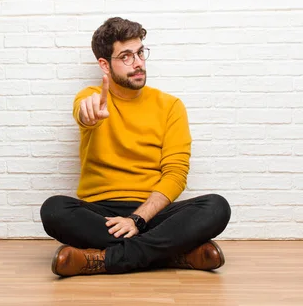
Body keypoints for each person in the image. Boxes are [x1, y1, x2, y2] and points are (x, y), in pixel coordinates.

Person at [40, 17, 232, 277]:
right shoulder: (91, 98)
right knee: (54, 210)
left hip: (151, 212)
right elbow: (85, 112)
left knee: (217, 207)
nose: (139, 62)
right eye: (126, 56)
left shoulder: (170, 106)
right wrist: (89, 115)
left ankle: (102, 260)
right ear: (105, 65)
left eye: (140, 52)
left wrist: (137, 219)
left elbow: (176, 174)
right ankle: (174, 253)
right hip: (102, 215)